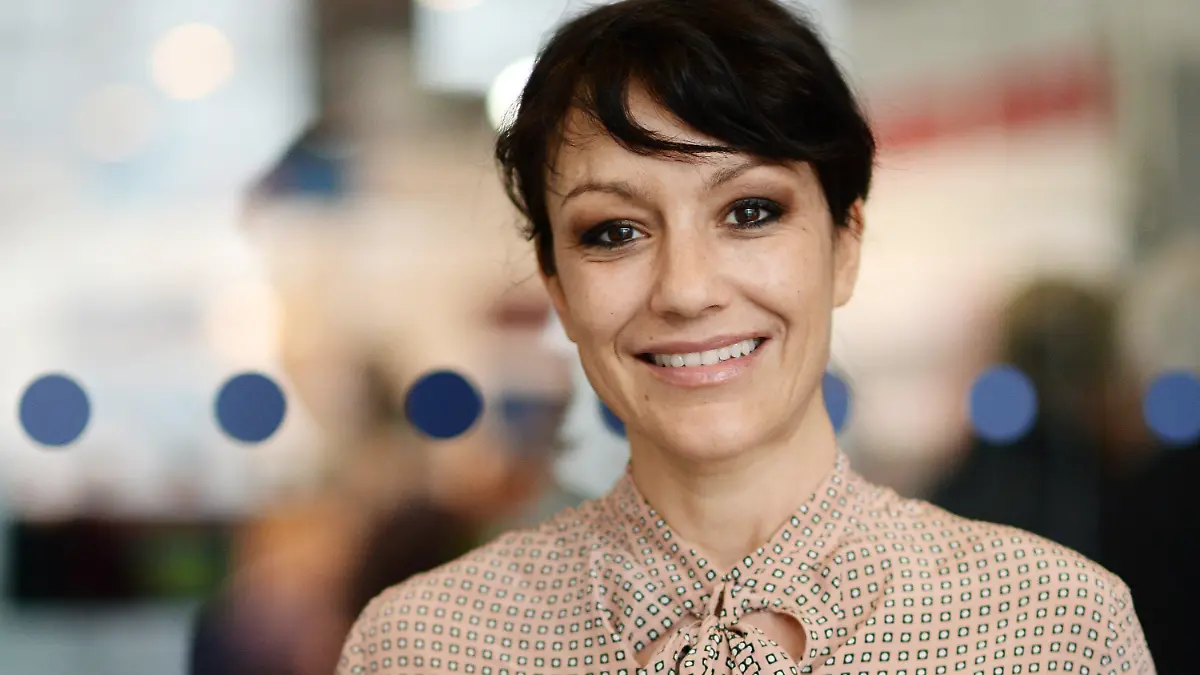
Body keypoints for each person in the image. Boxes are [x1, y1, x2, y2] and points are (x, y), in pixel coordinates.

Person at [337, 1, 1155, 672]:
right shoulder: (422, 644)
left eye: (750, 212)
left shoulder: (1052, 629)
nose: (687, 290)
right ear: (557, 284)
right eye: (614, 231)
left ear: (844, 244)